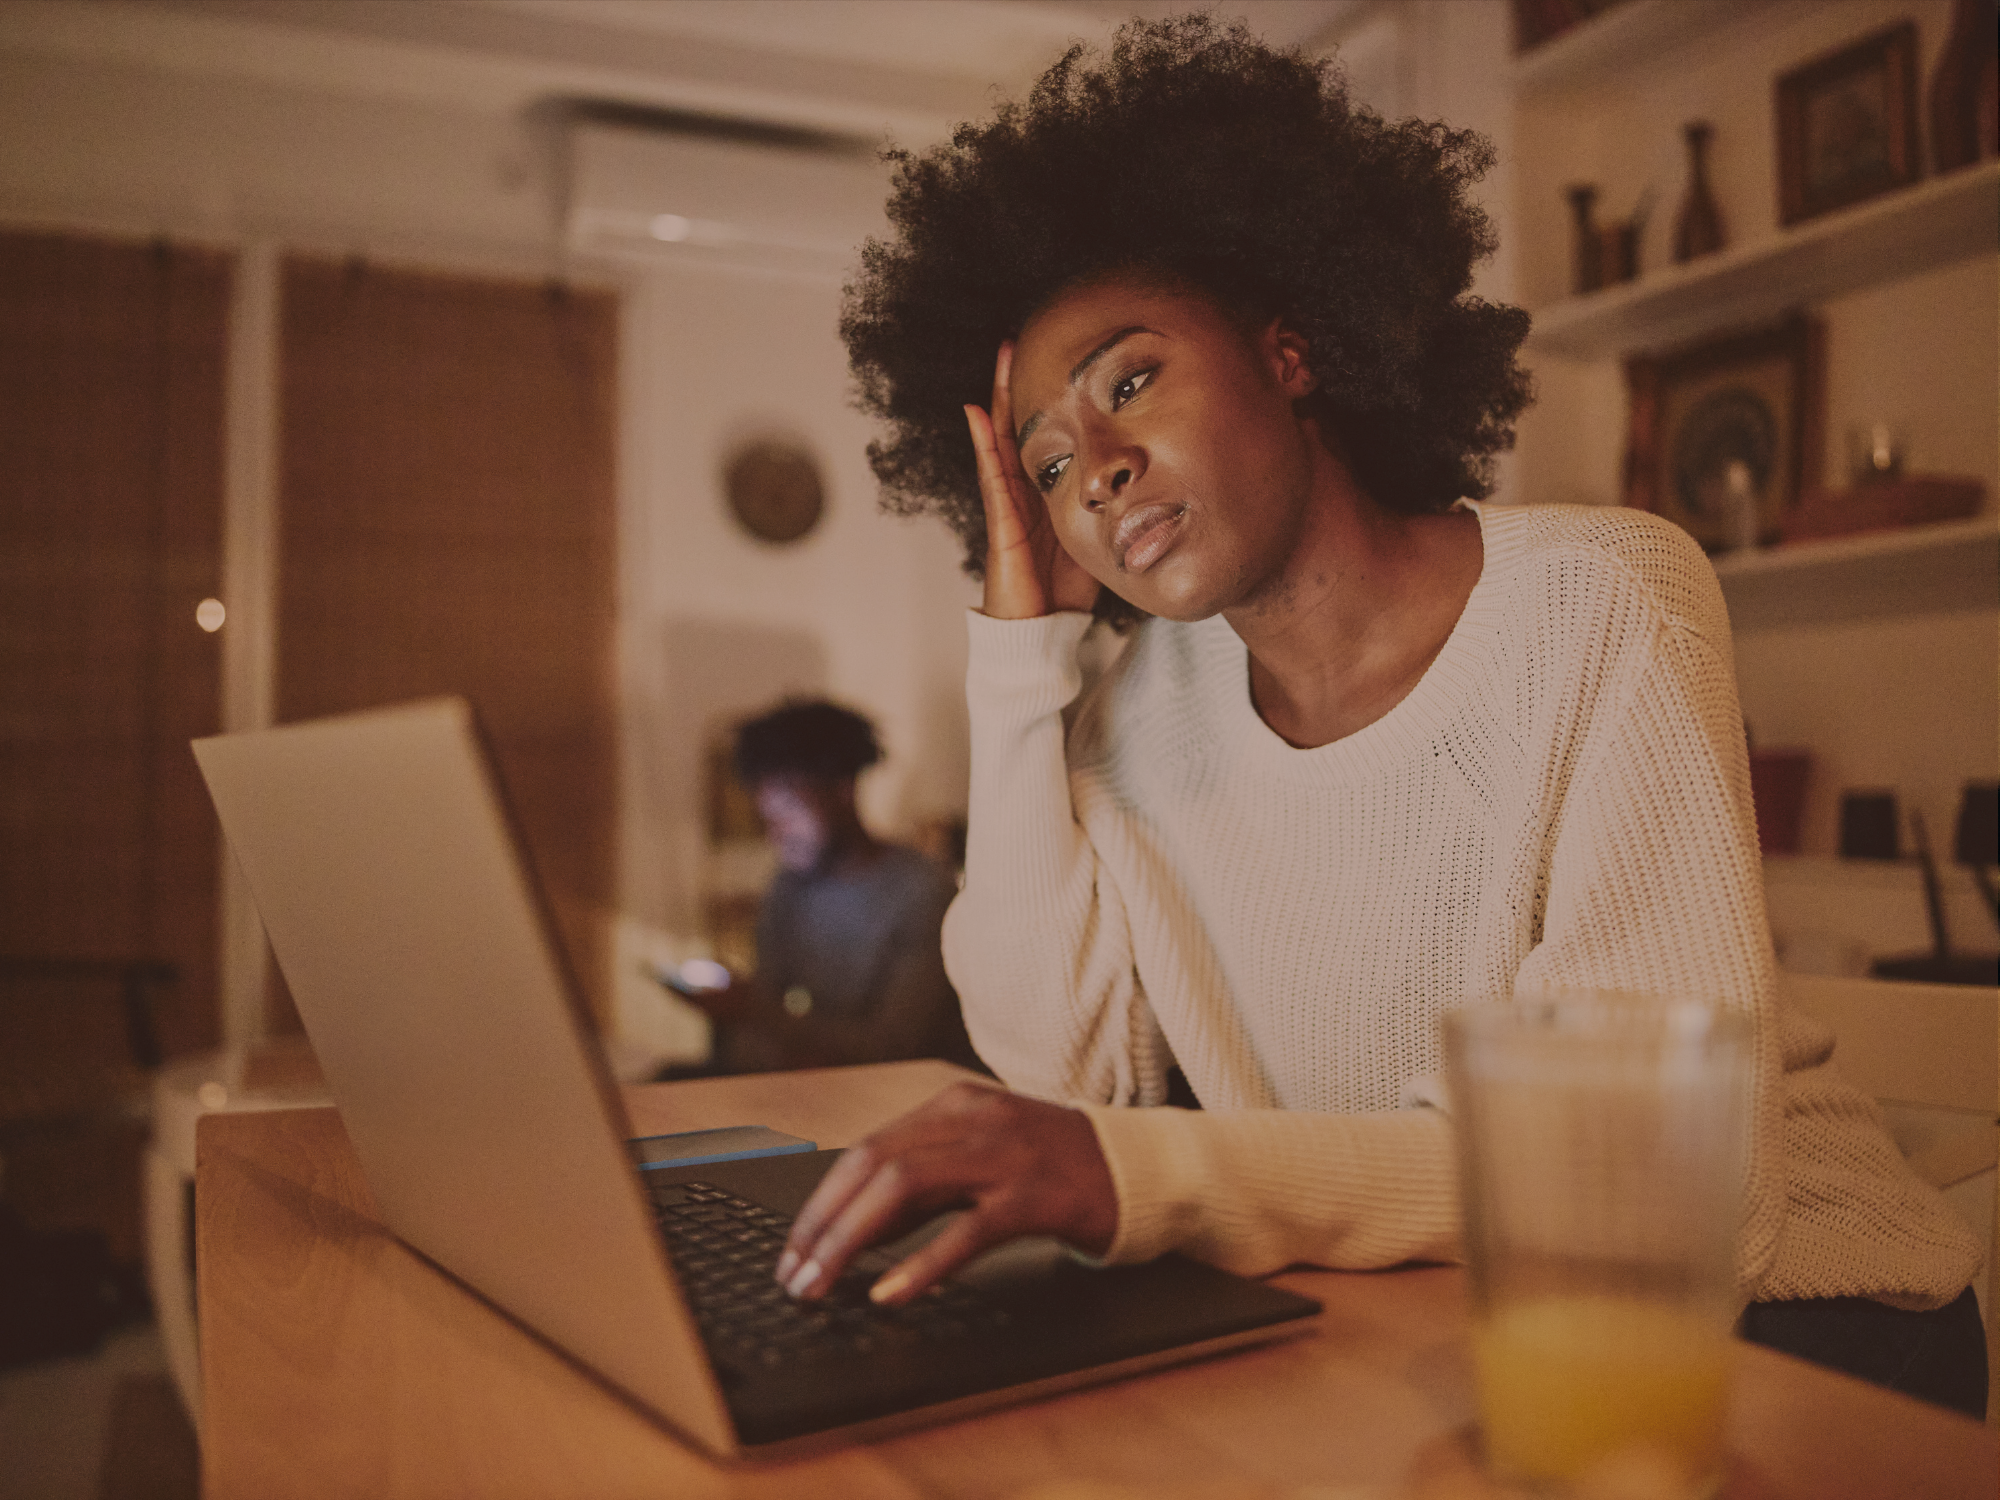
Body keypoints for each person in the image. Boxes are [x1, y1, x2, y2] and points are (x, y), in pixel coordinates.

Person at [773, 16, 1988, 1417]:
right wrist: (1017, 652)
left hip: (1793, 1324)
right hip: (1431, 1300)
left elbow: (1645, 1181)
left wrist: (1146, 1179)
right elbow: (1059, 1071)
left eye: (1130, 382)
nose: (1095, 471)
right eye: (1045, 465)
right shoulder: (1123, 713)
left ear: (1290, 351)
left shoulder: (1603, 601)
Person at [669, 699, 978, 1075]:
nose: (777, 834)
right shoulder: (789, 886)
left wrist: (750, 1009)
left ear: (842, 791)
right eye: (768, 818)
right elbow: (768, 1006)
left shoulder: (921, 892)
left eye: (789, 812)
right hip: (799, 1088)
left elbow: (894, 1048)